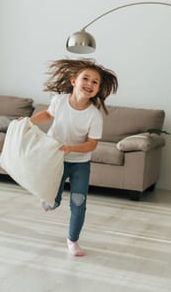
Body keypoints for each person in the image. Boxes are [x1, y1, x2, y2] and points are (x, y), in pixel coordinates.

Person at [30, 58, 118, 257]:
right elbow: (48, 115)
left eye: (95, 82)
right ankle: (49, 200)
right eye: (85, 78)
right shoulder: (60, 101)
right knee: (54, 202)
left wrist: (71, 148)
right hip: (56, 160)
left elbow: (92, 144)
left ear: (98, 89)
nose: (89, 84)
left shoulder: (94, 115)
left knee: (78, 202)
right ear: (73, 81)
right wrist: (29, 121)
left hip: (80, 164)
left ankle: (73, 241)